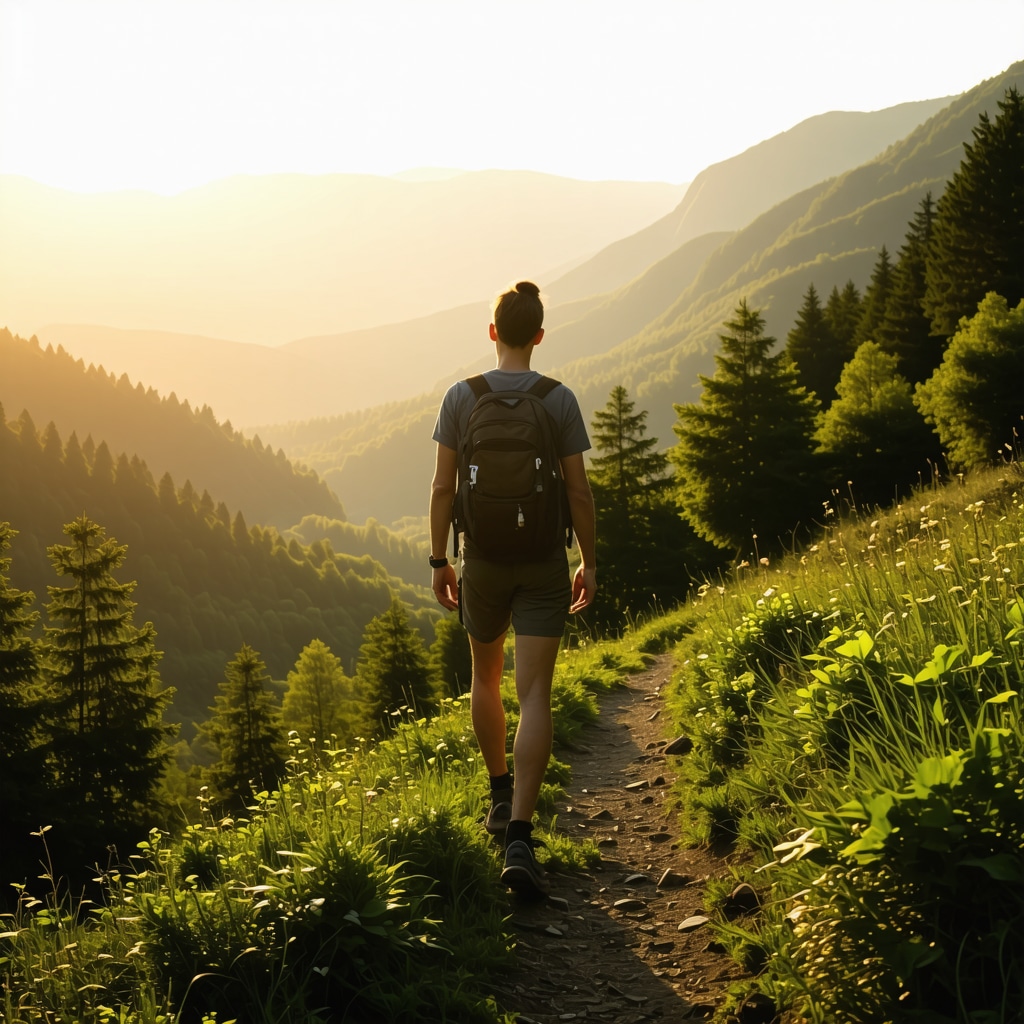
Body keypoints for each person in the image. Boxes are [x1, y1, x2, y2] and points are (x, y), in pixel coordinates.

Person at [429, 280, 597, 898]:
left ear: (493, 332)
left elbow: (443, 489)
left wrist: (440, 560)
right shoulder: (558, 400)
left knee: (484, 680)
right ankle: (522, 836)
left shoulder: (460, 396)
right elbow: (578, 491)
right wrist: (589, 560)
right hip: (543, 563)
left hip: (483, 562)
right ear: (541, 336)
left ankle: (499, 795)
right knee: (536, 694)